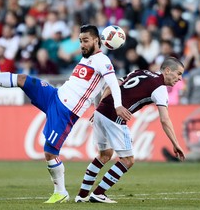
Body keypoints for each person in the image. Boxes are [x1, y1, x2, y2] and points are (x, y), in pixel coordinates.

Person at [0, 24, 132, 203]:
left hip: (66, 111)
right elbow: (95, 90)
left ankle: (60, 192)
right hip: (54, 95)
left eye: (85, 41)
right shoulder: (86, 59)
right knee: (23, 79)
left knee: (50, 153)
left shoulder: (102, 61)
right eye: (80, 41)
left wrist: (118, 105)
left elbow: (112, 83)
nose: (82, 45)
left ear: (97, 40)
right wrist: (98, 106)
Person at [75, 57, 186, 203]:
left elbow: (111, 86)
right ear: (167, 70)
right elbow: (165, 119)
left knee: (105, 155)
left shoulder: (141, 72)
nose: (179, 78)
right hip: (115, 117)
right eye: (178, 74)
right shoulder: (160, 88)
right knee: (128, 160)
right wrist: (176, 143)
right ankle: (98, 193)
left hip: (101, 112)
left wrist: (99, 109)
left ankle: (82, 195)